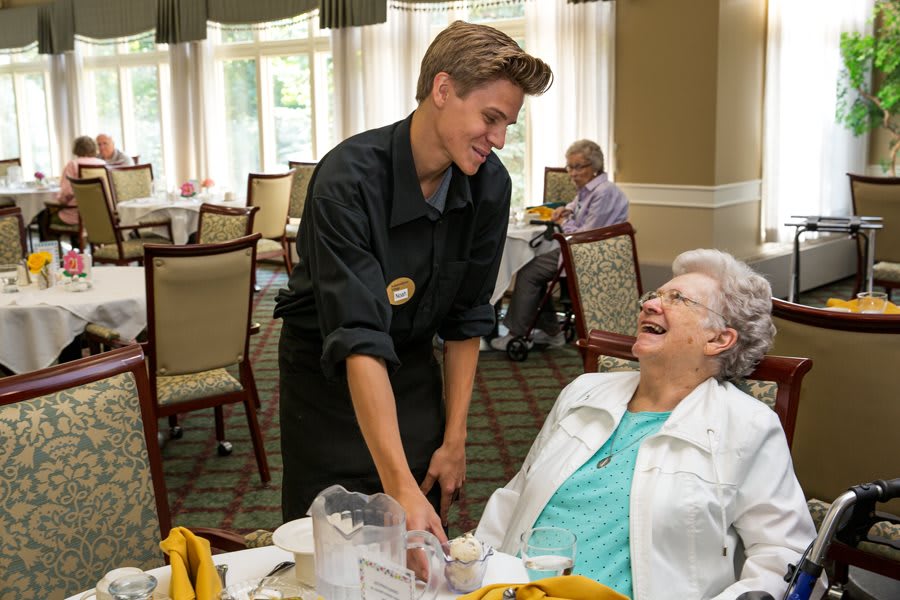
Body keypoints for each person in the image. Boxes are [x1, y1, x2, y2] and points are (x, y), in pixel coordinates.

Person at [273, 21, 553, 541]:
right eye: (491, 119)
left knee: (420, 544)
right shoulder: (347, 179)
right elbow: (358, 340)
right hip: (329, 384)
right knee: (332, 549)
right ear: (443, 90)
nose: (499, 139)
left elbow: (468, 317)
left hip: (413, 378)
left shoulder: (490, 185)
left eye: (508, 124)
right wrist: (396, 483)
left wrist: (454, 438)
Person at [476, 249, 820, 599]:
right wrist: (472, 571)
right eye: (654, 295)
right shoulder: (583, 392)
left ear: (719, 339)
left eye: (678, 299)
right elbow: (514, 496)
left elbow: (786, 555)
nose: (651, 304)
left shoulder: (747, 425)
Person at [490, 139, 628, 351]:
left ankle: (517, 333)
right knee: (532, 267)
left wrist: (564, 221)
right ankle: (550, 332)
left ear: (595, 167)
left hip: (588, 255)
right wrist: (566, 209)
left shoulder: (604, 192)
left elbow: (587, 234)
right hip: (577, 251)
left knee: (529, 272)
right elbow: (578, 205)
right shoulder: (590, 189)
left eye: (578, 167)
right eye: (569, 167)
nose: (572, 173)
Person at [56, 136, 107, 226]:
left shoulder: (73, 164)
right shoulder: (103, 164)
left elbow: (67, 192)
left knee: (44, 217)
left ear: (76, 149)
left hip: (77, 215)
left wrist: (60, 202)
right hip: (101, 214)